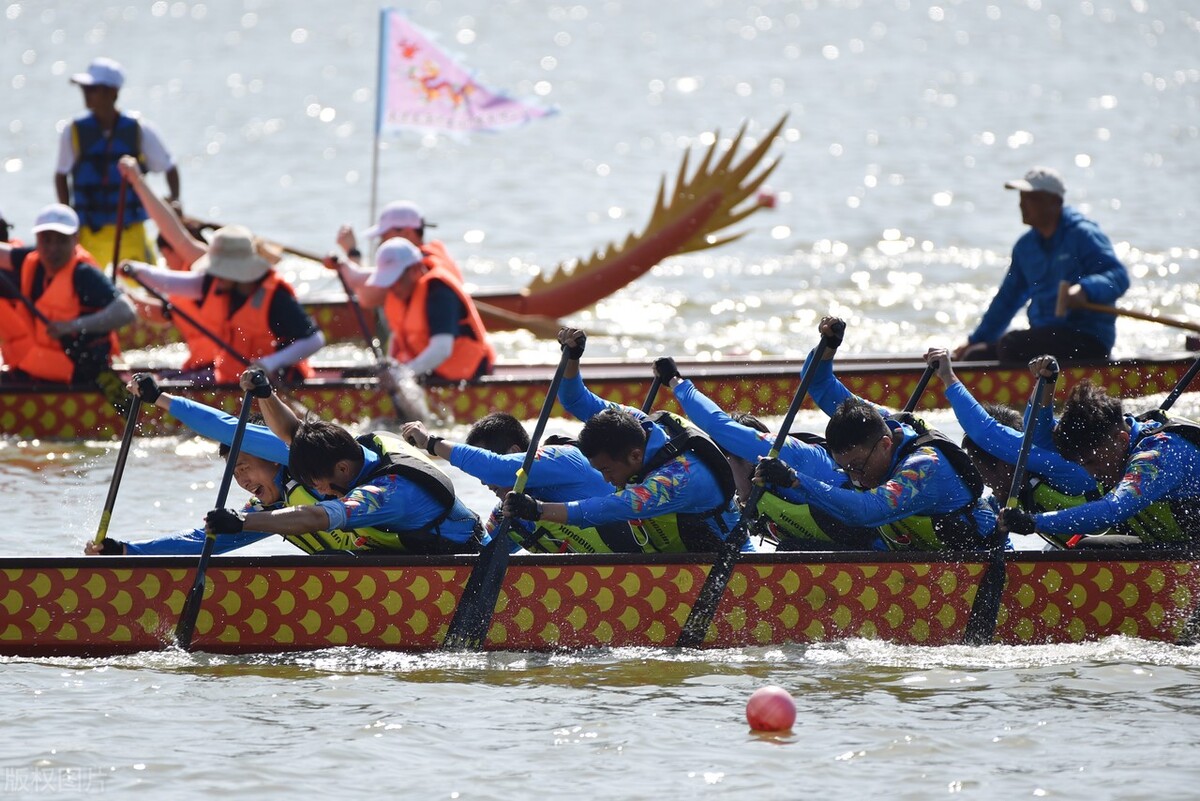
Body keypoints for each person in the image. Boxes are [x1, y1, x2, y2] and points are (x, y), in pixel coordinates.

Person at [86, 373, 438, 555]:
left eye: (244, 466)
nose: (242, 480)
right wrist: (126, 550)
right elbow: (202, 542)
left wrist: (160, 399)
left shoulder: (301, 459)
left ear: (273, 457)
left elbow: (226, 427)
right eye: (234, 473)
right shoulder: (267, 507)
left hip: (440, 555)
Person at [754, 318, 1003, 552]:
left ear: (885, 445)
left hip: (982, 561)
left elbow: (867, 511)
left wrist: (795, 479)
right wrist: (828, 346)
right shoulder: (874, 421)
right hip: (922, 556)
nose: (856, 479)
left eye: (858, 466)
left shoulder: (924, 466)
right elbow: (818, 383)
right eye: (846, 468)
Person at [501, 328, 745, 553]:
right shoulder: (634, 421)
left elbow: (610, 508)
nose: (606, 479)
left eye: (607, 470)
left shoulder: (676, 479)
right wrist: (573, 358)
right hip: (673, 557)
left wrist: (539, 510)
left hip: (726, 563)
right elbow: (577, 401)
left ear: (636, 456)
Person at [204, 375, 486, 553]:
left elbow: (316, 517)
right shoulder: (361, 447)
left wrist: (243, 521)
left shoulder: (382, 494)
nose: (323, 493)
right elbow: (294, 432)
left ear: (341, 469)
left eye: (321, 486)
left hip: (467, 562)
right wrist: (266, 394)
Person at [651, 356, 881, 551]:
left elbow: (716, 424)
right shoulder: (749, 497)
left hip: (880, 547)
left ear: (745, 454)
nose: (718, 470)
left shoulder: (793, 455)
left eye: (724, 459)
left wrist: (675, 380)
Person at [953, 167, 1130, 364]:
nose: (1022, 204)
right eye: (1021, 197)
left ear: (1055, 202)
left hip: (1087, 340)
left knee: (1011, 346)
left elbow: (1118, 276)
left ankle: (1033, 392)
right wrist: (975, 340)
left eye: (1031, 198)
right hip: (1045, 338)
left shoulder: (1083, 236)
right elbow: (1007, 301)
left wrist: (1085, 290)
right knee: (975, 356)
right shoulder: (1025, 247)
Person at [401, 413, 643, 554]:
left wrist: (431, 443)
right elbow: (480, 557)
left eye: (483, 462)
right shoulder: (511, 512)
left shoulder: (563, 459)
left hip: (647, 562)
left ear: (514, 452)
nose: (484, 482)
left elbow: (496, 467)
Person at [998, 380, 1200, 548]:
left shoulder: (1156, 456)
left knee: (1087, 548)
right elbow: (1039, 436)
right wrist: (1046, 382)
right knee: (1067, 546)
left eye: (1093, 462)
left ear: (1121, 440)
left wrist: (1034, 522)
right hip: (1178, 541)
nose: (1092, 473)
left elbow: (1111, 511)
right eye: (1083, 464)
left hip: (1191, 551)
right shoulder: (1119, 434)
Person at [123, 225, 324, 384]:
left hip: (272, 383)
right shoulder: (218, 281)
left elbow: (314, 340)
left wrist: (268, 364)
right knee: (164, 380)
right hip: (230, 378)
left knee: (167, 384)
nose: (213, 274)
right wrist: (137, 270)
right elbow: (173, 282)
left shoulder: (276, 298)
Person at [926, 349, 1099, 533]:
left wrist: (947, 376)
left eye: (991, 484)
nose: (992, 491)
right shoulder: (1015, 486)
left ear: (1005, 465)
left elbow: (985, 433)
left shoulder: (1061, 467)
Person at [327, 206, 494, 382]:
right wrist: (390, 367)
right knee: (352, 375)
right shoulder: (402, 288)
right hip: (428, 370)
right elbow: (397, 336)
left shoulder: (438, 291)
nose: (392, 288)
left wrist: (402, 375)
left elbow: (442, 349)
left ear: (414, 271)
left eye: (396, 279)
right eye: (388, 281)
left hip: (466, 376)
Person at [55, 57, 180, 265]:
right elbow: (61, 174)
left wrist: (175, 200)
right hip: (89, 232)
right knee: (85, 288)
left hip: (130, 231)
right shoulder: (73, 131)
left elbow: (169, 167)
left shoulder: (139, 129)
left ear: (112, 92)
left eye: (92, 88)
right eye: (84, 88)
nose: (85, 93)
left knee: (146, 286)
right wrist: (68, 221)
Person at [0, 204, 135, 383]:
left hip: (87, 375)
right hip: (44, 370)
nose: (53, 248)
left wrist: (72, 326)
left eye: (62, 240)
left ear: (75, 240)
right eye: (46, 240)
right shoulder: (33, 259)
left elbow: (127, 312)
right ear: (37, 240)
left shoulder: (84, 275)